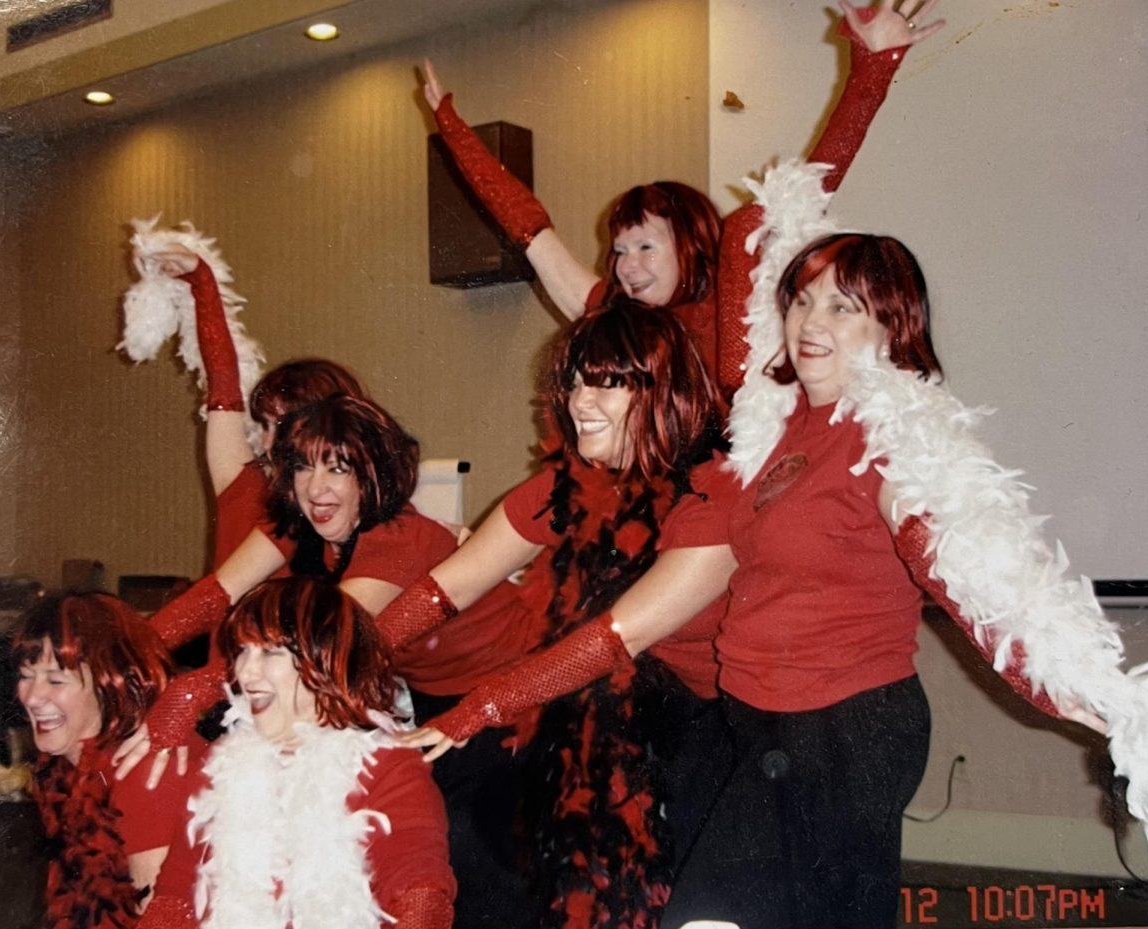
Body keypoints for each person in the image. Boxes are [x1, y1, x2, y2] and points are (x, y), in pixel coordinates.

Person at [668, 231, 1148, 928]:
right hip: (762, 726)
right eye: (802, 299)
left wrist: (1064, 684)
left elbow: (956, 568)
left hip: (847, 731)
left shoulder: (893, 438)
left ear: (892, 325)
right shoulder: (779, 425)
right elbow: (748, 229)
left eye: (845, 307)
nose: (811, 323)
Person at [375, 298, 738, 929]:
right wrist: (335, 657)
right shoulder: (568, 487)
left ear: (663, 389)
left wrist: (480, 708)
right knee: (478, 833)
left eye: (608, 382)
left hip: (719, 730)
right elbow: (446, 588)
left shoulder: (715, 491)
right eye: (574, 382)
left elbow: (615, 636)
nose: (580, 401)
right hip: (592, 708)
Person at [122, 393, 538, 929]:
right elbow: (214, 597)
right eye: (301, 466)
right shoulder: (310, 520)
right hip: (435, 702)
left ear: (372, 476)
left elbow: (321, 650)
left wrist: (182, 696)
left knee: (464, 845)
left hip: (519, 700)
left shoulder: (398, 539)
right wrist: (115, 655)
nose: (316, 487)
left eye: (337, 468)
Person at [419, 0, 944, 394]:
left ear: (690, 243)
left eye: (646, 247)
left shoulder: (738, 294)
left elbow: (804, 189)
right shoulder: (613, 313)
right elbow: (528, 225)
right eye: (619, 250)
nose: (627, 266)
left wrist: (872, 71)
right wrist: (454, 132)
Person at [139, 577, 455, 929]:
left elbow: (421, 895)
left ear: (324, 662)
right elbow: (175, 897)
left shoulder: (390, 769)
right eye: (242, 650)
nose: (245, 671)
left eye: (270, 652)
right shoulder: (218, 766)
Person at [123, 224, 369, 564]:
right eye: (265, 426)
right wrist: (201, 281)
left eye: (282, 426)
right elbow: (224, 387)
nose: (268, 443)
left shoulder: (362, 523)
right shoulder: (246, 490)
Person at [14, 592, 189, 929]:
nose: (32, 696)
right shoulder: (65, 766)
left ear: (107, 685)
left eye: (55, 679)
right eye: (25, 675)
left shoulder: (144, 774)